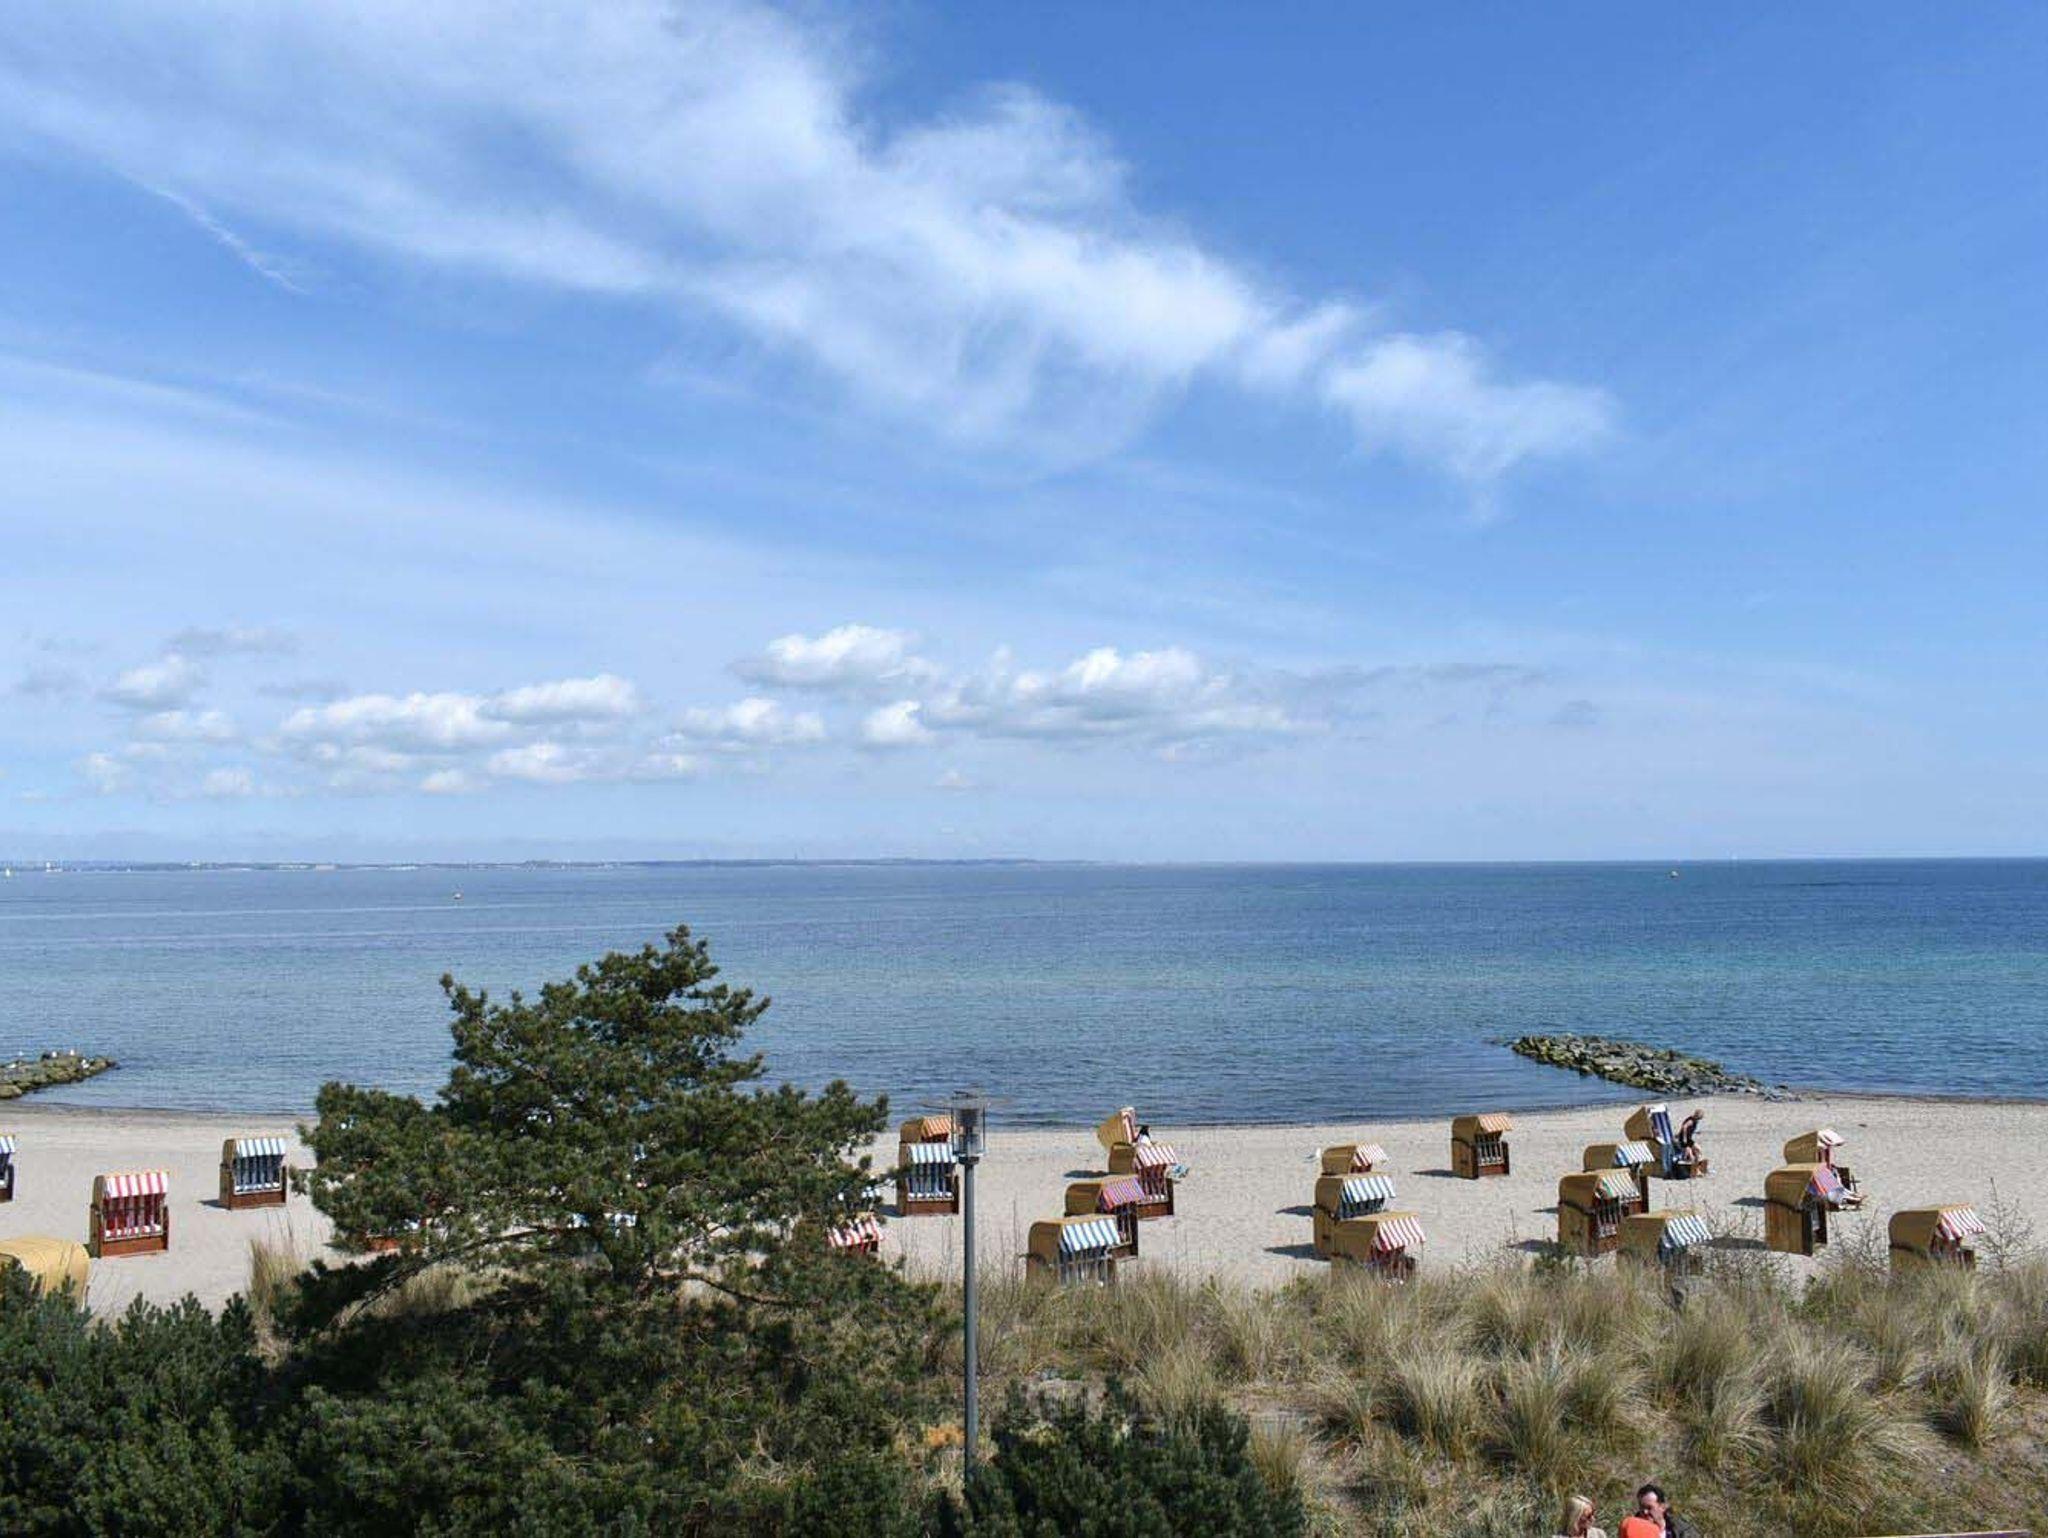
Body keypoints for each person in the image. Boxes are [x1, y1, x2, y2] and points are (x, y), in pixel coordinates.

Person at [1631, 1482, 1700, 1538]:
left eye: (1649, 1508)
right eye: (1642, 1508)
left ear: (1662, 1507)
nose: (1645, 1512)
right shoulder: (1632, 1530)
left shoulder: (1683, 1530)